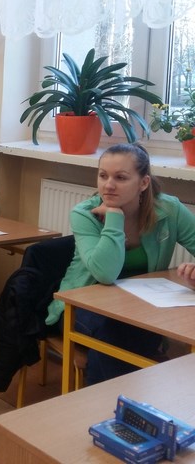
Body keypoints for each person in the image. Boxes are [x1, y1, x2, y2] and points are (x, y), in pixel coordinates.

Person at [45, 143, 195, 384]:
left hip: (140, 307)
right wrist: (114, 216)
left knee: (137, 330)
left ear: (143, 183)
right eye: (103, 176)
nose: (108, 185)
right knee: (113, 332)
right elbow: (105, 274)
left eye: (121, 177)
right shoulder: (84, 213)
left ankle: (124, 398)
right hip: (81, 305)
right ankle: (112, 402)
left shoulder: (169, 210)